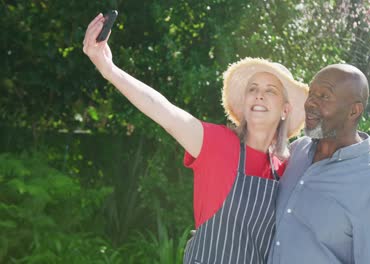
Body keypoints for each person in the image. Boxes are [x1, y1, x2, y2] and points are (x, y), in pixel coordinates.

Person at [82, 14, 308, 264]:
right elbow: (164, 111)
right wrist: (108, 68)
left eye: (270, 91)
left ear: (285, 109)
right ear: (243, 104)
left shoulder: (287, 168)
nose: (259, 96)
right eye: (252, 89)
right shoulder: (217, 143)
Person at [268, 64, 370, 264]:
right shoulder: (296, 151)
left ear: (354, 111)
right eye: (311, 94)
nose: (310, 103)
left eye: (324, 96)